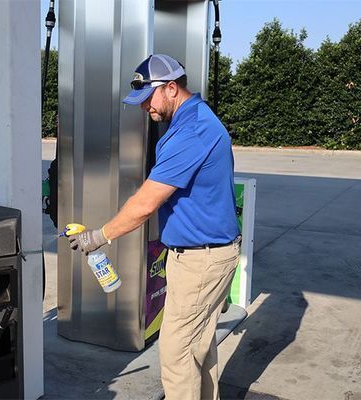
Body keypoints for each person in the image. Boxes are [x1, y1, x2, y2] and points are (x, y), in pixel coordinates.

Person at [68, 54, 241, 400]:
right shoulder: (191, 122)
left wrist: (99, 236)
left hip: (201, 262)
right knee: (199, 348)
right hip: (201, 256)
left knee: (177, 354)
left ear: (172, 88)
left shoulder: (191, 132)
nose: (144, 106)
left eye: (149, 98)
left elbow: (146, 203)